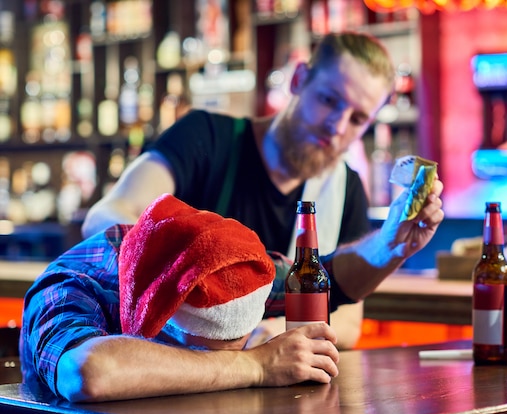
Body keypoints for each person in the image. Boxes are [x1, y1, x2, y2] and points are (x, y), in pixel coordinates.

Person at [80, 31, 445, 349]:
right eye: (329, 100)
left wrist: (269, 333)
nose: (337, 126)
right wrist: (191, 261)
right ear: (299, 79)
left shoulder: (345, 188)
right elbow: (105, 216)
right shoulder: (206, 137)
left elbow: (349, 322)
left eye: (357, 118)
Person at [22, 191, 441, 402]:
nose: (217, 360)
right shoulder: (75, 283)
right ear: (162, 314)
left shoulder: (226, 262)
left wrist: (393, 244)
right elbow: (88, 372)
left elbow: (326, 277)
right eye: (200, 353)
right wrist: (254, 365)